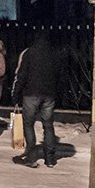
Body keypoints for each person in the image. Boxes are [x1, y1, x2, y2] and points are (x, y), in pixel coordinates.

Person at [12, 30, 63, 168]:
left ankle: (31, 156)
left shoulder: (29, 53)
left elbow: (21, 75)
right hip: (49, 94)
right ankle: (50, 158)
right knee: (48, 125)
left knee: (28, 124)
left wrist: (15, 94)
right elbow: (59, 76)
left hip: (31, 93)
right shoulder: (55, 54)